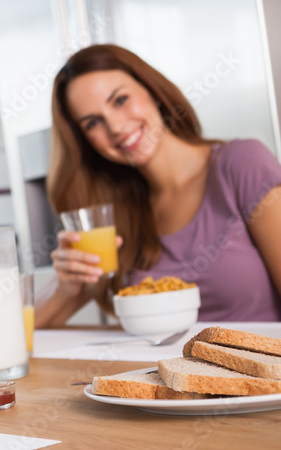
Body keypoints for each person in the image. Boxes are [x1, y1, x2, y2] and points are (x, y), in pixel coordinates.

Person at [36, 44, 281, 327]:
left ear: (151, 90)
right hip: (156, 370)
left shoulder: (242, 163)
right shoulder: (116, 215)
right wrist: (64, 287)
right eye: (93, 123)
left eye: (119, 100)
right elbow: (21, 336)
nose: (115, 127)